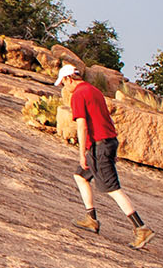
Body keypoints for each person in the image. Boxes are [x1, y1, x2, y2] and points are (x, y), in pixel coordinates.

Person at [60, 61, 153, 249]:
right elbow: (105, 118)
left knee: (112, 188)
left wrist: (81, 153)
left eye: (63, 82)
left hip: (98, 146)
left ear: (69, 78)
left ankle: (141, 228)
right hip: (107, 142)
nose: (64, 87)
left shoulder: (78, 95)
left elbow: (82, 125)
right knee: (80, 176)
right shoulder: (94, 91)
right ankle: (91, 218)